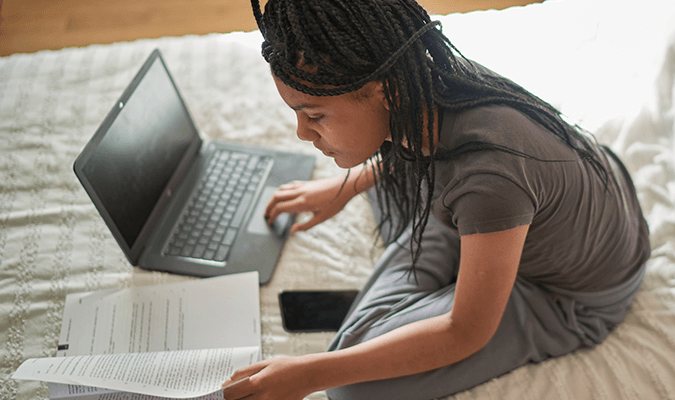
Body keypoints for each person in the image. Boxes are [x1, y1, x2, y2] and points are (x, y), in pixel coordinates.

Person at [223, 0, 650, 399]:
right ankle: (442, 283)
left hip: (566, 297)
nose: (302, 133)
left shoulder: (489, 180)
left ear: (381, 88)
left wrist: (309, 373)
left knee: (351, 385)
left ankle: (433, 292)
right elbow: (437, 156)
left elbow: (465, 332)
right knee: (399, 182)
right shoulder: (426, 76)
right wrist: (346, 188)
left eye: (315, 115)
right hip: (573, 205)